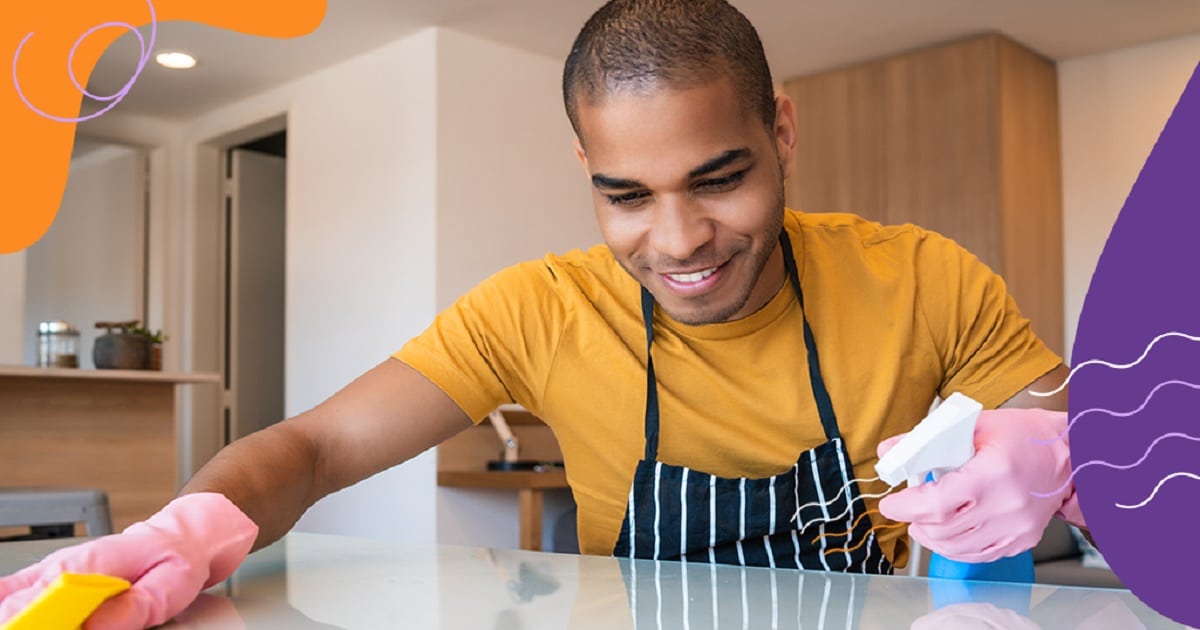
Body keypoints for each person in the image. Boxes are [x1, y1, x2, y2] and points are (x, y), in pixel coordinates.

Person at [0, 0, 1087, 627]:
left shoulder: (926, 279)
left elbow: (1130, 466)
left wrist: (1072, 455)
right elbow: (318, 447)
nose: (678, 241)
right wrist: (188, 525)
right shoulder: (538, 309)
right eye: (626, 195)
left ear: (783, 131)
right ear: (586, 168)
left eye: (720, 178)